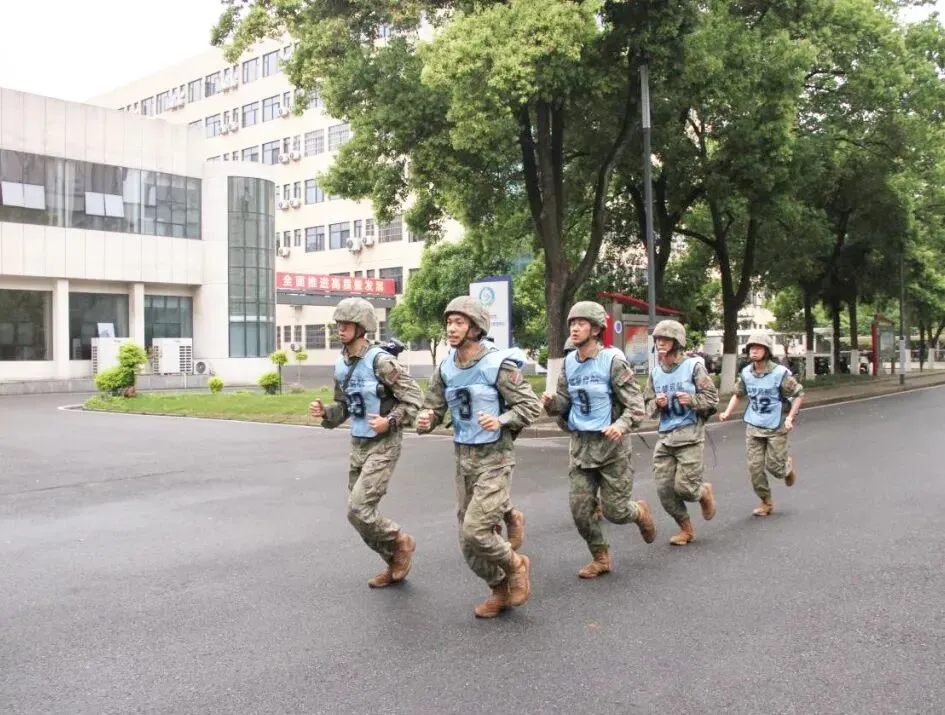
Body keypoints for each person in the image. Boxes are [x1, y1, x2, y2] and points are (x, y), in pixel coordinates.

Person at [416, 296, 542, 619]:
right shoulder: (445, 368)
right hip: (463, 460)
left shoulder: (496, 365)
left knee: (476, 530)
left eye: (459, 322)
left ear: (475, 327)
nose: (451, 328)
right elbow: (433, 408)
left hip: (494, 458)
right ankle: (499, 588)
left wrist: (501, 420)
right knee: (467, 543)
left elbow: (530, 406)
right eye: (449, 322)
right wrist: (426, 420)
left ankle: (517, 565)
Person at [308, 297, 423, 588]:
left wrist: (391, 420)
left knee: (359, 509)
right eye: (339, 323)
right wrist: (326, 413)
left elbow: (414, 399)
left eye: (347, 324)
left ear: (363, 327)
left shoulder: (382, 362)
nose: (341, 329)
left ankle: (400, 541)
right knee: (357, 515)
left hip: (384, 443)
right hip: (357, 444)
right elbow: (344, 408)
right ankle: (394, 558)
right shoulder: (341, 364)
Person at [542, 302, 656, 578]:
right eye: (572, 324)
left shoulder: (613, 362)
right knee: (580, 510)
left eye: (581, 323)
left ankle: (639, 512)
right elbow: (565, 401)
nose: (575, 328)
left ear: (595, 329)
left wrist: (621, 425)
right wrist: (551, 403)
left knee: (616, 511)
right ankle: (600, 557)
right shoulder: (569, 362)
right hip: (581, 447)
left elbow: (635, 405)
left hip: (611, 447)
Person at [643, 319, 720, 545]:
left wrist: (693, 400)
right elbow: (646, 406)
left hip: (690, 436)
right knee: (664, 491)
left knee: (685, 488)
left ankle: (703, 492)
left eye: (666, 339)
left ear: (677, 342)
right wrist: (656, 403)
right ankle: (686, 529)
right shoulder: (655, 373)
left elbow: (712, 399)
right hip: (666, 438)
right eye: (658, 340)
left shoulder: (693, 367)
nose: (661, 344)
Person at [719, 332, 804, 516]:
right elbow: (738, 394)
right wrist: (726, 412)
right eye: (751, 348)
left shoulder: (779, 373)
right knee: (755, 468)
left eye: (759, 347)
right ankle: (766, 502)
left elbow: (799, 394)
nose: (754, 351)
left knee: (775, 468)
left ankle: (786, 467)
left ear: (767, 351)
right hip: (754, 425)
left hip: (776, 425)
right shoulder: (746, 373)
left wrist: (790, 417)